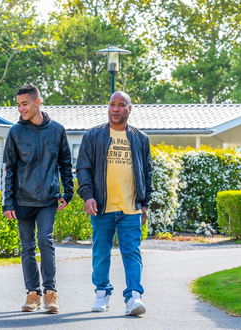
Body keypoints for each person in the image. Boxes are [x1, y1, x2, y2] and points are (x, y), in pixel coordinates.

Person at [76, 91, 153, 316]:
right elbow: (83, 169)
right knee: (101, 252)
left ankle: (134, 298)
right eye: (112, 104)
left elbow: (147, 172)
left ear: (130, 109)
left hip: (131, 208)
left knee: (132, 252)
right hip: (102, 206)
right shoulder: (93, 136)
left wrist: (145, 203)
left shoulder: (140, 138)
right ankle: (102, 293)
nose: (116, 109)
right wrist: (88, 196)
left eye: (121, 105)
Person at [2, 83, 74, 314]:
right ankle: (32, 294)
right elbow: (9, 169)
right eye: (19, 105)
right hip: (23, 200)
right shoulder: (15, 132)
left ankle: (51, 292)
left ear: (37, 102)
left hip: (48, 199)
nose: (21, 109)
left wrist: (68, 192)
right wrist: (8, 202)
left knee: (46, 241)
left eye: (25, 104)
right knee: (27, 247)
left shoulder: (57, 130)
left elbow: (65, 164)